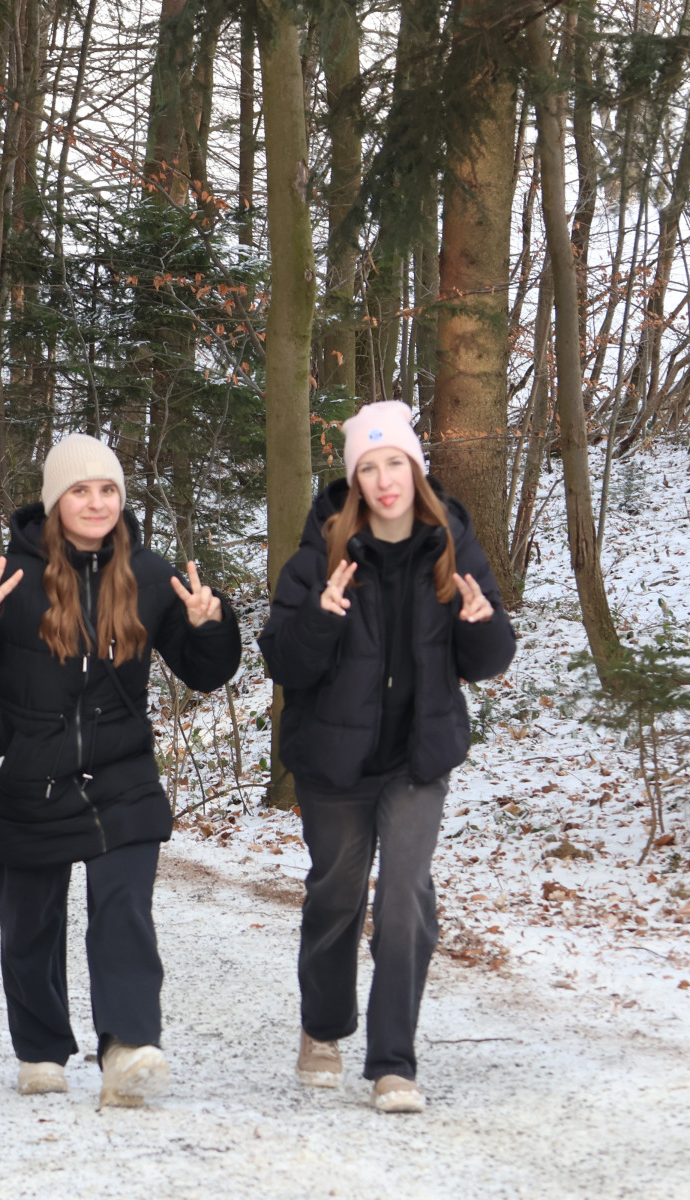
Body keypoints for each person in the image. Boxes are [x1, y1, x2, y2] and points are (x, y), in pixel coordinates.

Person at [0, 433, 240, 1108]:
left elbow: (207, 673)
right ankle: (40, 1049)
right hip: (25, 772)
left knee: (124, 907)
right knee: (31, 921)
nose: (96, 503)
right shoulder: (10, 574)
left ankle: (129, 1047)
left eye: (108, 489)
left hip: (120, 771)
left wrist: (211, 625)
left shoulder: (151, 576)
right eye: (80, 490)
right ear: (55, 501)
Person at [259, 400, 516, 1114]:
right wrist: (319, 619)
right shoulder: (319, 554)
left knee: (404, 898)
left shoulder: (453, 546)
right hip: (333, 761)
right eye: (368, 468)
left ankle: (393, 1063)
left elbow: (489, 660)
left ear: (415, 469)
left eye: (395, 462)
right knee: (336, 896)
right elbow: (284, 661)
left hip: (416, 760)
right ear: (355, 480)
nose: (384, 479)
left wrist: (482, 625)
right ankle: (323, 1028)